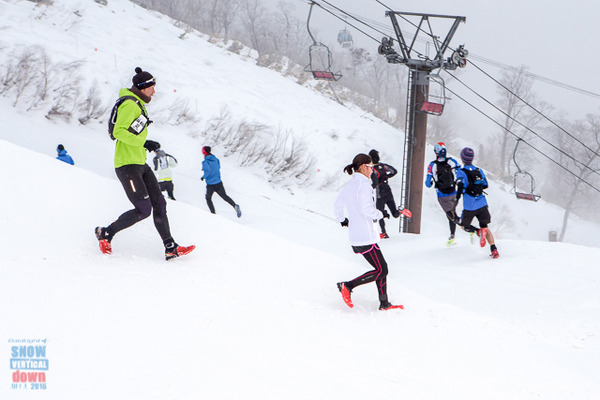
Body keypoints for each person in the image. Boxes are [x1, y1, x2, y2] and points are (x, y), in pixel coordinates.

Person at [95, 67, 195, 261]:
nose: (154, 92)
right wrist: (144, 142)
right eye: (151, 88)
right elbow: (119, 132)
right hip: (127, 165)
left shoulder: (138, 104)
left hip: (140, 163)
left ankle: (170, 247)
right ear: (141, 87)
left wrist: (147, 145)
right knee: (143, 210)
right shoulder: (130, 105)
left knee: (159, 202)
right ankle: (106, 233)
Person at [334, 153, 404, 311]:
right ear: (364, 167)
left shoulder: (350, 185)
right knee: (382, 269)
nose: (373, 171)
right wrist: (381, 214)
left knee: (381, 268)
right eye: (371, 167)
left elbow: (338, 205)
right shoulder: (364, 185)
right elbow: (366, 209)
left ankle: (384, 303)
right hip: (365, 235)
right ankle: (347, 286)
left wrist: (342, 220)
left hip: (358, 235)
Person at [455, 147, 500, 259]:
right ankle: (494, 250)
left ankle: (477, 231)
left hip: (469, 205)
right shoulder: (479, 171)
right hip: (482, 203)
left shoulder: (461, 172)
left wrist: (456, 198)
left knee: (463, 226)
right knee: (485, 227)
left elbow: (460, 186)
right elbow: (485, 185)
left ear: (462, 158)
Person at [425, 142, 461, 246]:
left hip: (442, 194)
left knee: (451, 215)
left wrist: (431, 182)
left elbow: (427, 184)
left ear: (436, 152)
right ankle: (452, 235)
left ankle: (469, 228)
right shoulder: (452, 161)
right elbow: (459, 173)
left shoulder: (432, 165)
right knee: (452, 212)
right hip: (453, 192)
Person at [201, 146, 241, 218]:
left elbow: (207, 171)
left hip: (210, 184)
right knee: (224, 196)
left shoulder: (205, 162)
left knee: (208, 198)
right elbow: (218, 167)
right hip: (218, 182)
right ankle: (234, 205)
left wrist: (203, 177)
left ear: (204, 152)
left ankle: (213, 214)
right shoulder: (216, 159)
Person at [369, 149, 400, 239]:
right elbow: (394, 171)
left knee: (379, 213)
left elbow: (374, 183)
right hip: (388, 190)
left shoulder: (372, 170)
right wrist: (387, 177)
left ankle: (384, 232)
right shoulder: (383, 166)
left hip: (380, 193)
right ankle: (400, 211)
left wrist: (369, 189)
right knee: (394, 213)